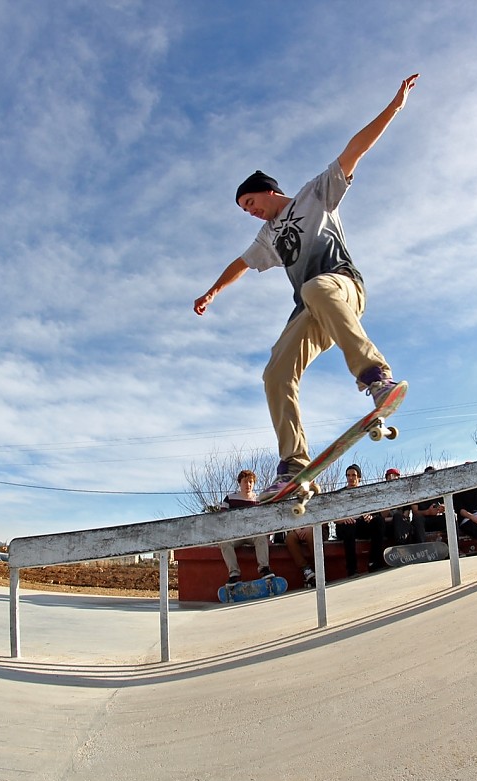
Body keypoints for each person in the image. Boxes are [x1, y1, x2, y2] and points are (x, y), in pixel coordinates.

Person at [194, 74, 420, 495]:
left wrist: (394, 108)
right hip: (312, 310)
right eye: (245, 210)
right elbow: (241, 262)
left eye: (250, 203)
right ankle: (293, 462)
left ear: (267, 191)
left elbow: (356, 149)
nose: (251, 212)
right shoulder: (268, 238)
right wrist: (213, 291)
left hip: (343, 288)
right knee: (275, 373)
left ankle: (375, 376)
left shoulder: (314, 194)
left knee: (316, 287)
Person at [217, 470, 275, 585]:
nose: (248, 485)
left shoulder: (258, 500)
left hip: (252, 535)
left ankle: (264, 569)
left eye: (250, 482)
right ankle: (234, 574)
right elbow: (222, 518)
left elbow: (265, 520)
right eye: (245, 482)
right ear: (239, 483)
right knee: (224, 542)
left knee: (261, 537)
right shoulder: (230, 498)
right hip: (236, 535)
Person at [334, 464, 386, 576]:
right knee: (350, 526)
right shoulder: (340, 494)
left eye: (353, 475)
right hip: (345, 526)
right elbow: (334, 519)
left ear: (359, 478)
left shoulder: (365, 492)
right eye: (348, 475)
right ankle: (352, 569)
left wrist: (370, 516)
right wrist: (343, 519)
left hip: (361, 524)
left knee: (379, 521)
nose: (351, 478)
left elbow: (375, 511)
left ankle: (374, 562)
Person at [379, 468, 424, 545]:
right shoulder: (383, 496)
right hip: (389, 526)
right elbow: (383, 516)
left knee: (398, 518)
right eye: (388, 478)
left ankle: (402, 544)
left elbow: (405, 515)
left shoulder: (404, 496)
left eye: (393, 477)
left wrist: (394, 519)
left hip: (402, 525)